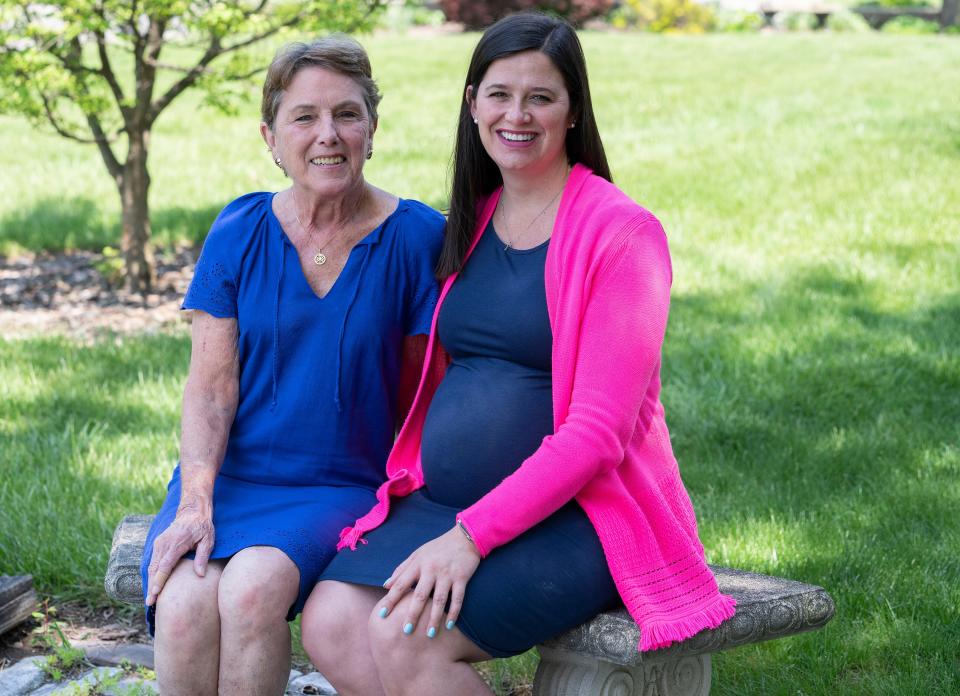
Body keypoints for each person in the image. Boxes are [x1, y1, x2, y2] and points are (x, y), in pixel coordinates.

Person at [302, 12, 737, 696]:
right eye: (500, 94)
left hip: (582, 517)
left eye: (542, 97)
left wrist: (470, 538)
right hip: (447, 503)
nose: (518, 114)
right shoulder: (470, 221)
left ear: (572, 113)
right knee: (329, 623)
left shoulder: (623, 236)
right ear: (472, 102)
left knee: (403, 637)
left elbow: (597, 436)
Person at [138, 36, 445, 696]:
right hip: (232, 477)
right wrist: (195, 500)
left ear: (373, 127)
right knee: (185, 603)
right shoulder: (239, 229)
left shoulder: (418, 238)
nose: (327, 135)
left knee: (249, 591)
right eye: (304, 117)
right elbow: (212, 386)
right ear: (271, 137)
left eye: (347, 114)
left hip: (342, 481)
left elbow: (425, 397)